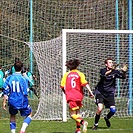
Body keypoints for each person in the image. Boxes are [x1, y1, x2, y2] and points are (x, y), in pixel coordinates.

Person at [92, 57, 127, 130]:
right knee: (100, 108)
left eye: (112, 62)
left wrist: (124, 72)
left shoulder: (115, 72)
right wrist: (112, 70)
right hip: (100, 92)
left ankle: (107, 118)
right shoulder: (102, 70)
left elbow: (123, 77)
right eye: (110, 62)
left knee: (113, 110)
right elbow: (104, 75)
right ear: (106, 64)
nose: (111, 64)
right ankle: (95, 125)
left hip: (110, 93)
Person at [60, 59, 94, 133]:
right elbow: (85, 84)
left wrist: (66, 92)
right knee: (78, 113)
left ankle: (83, 122)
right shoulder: (80, 74)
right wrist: (91, 92)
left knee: (72, 114)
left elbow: (62, 86)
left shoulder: (66, 74)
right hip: (79, 96)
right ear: (77, 66)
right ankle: (78, 130)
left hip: (71, 96)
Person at [2, 60, 32, 133]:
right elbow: (25, 92)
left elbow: (5, 90)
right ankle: (22, 130)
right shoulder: (23, 79)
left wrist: (4, 102)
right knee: (30, 113)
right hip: (21, 100)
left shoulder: (9, 78)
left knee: (12, 115)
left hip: (12, 100)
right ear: (21, 68)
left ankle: (13, 132)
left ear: (14, 68)